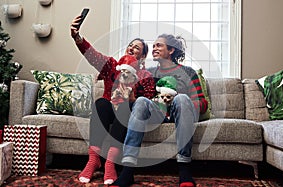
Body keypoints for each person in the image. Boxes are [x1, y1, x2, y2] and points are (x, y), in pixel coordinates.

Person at [111, 34, 208, 187]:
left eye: (159, 45)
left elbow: (203, 103)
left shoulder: (188, 73)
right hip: (157, 113)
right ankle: (128, 170)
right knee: (142, 101)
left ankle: (184, 170)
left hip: (179, 113)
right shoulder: (148, 73)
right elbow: (138, 100)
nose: (154, 48)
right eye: (154, 46)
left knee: (182, 99)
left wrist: (181, 100)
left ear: (171, 50)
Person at [70, 15, 156, 184]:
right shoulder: (111, 65)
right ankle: (93, 159)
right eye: (130, 45)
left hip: (126, 113)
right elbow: (92, 55)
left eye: (137, 47)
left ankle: (110, 163)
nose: (131, 48)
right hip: (109, 109)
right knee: (101, 103)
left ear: (143, 55)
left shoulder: (145, 76)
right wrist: (77, 37)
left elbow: (147, 102)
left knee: (125, 107)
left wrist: (131, 97)